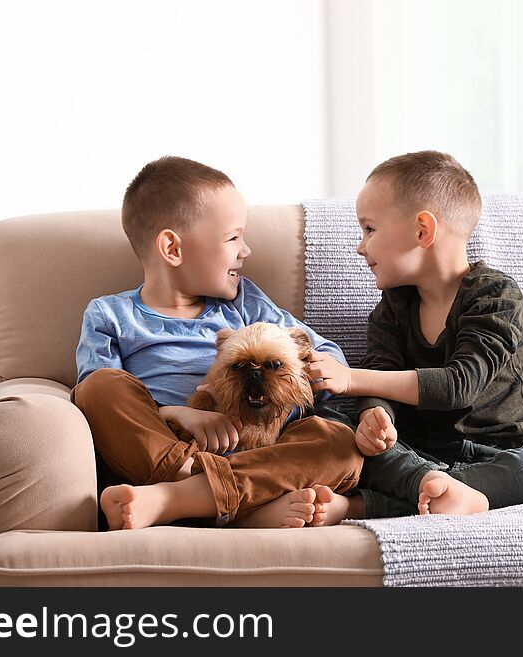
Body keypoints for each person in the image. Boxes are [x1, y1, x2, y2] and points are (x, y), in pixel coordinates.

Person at [70, 155, 369, 531]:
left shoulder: (244, 301)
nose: (246, 251)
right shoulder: (110, 315)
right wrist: (177, 414)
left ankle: (181, 500)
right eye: (233, 238)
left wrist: (286, 389)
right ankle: (226, 498)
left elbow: (326, 357)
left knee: (340, 443)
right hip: (167, 450)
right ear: (172, 249)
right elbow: (99, 405)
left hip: (257, 448)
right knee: (97, 388)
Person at [302, 150, 523, 521]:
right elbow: (381, 370)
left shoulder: (495, 296)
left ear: (422, 230)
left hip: (495, 452)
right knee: (336, 430)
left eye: (369, 229)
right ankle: (442, 489)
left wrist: (350, 380)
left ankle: (365, 504)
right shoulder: (392, 307)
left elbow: (460, 385)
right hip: (417, 453)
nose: (360, 246)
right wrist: (374, 417)